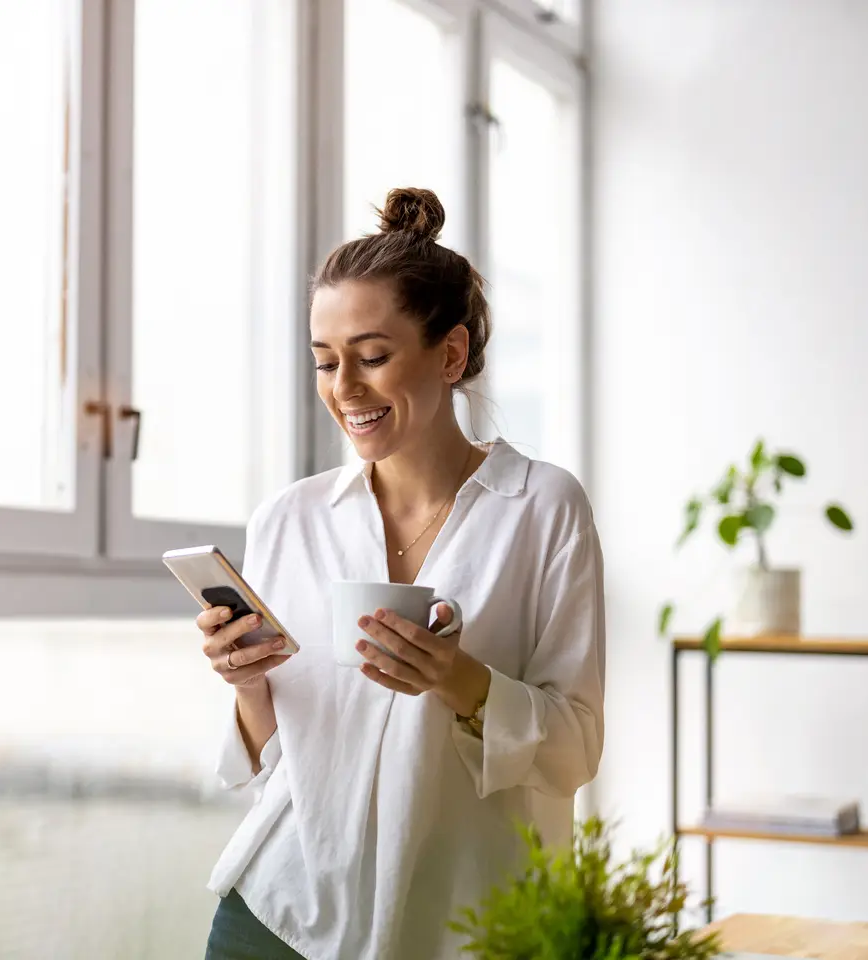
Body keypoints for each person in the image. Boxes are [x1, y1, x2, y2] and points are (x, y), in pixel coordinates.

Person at [197, 187, 606, 960]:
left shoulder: (543, 506)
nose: (343, 387)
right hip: (281, 913)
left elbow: (575, 751)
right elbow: (274, 756)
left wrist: (460, 681)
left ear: (451, 354)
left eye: (373, 356)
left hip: (466, 922)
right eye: (325, 361)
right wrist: (246, 678)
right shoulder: (289, 519)